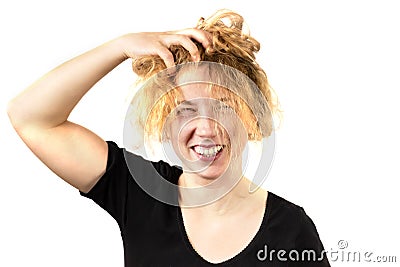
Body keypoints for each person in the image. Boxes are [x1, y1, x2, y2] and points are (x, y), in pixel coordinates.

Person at [7, 9, 330, 266]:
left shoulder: (291, 229)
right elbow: (30, 117)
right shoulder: (137, 192)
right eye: (186, 110)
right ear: (166, 122)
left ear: (250, 116)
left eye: (223, 107)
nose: (206, 128)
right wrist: (119, 47)